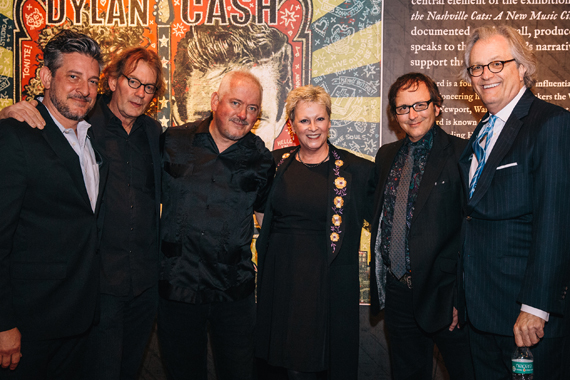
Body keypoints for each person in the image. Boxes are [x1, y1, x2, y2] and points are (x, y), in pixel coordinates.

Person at [0, 46, 166, 379]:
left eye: (149, 87)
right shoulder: (85, 121)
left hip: (142, 287)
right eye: (133, 82)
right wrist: (8, 113)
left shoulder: (153, 133)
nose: (140, 93)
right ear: (115, 81)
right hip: (95, 291)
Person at [458, 25, 570, 379]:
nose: (485, 75)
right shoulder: (483, 130)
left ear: (522, 67)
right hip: (481, 310)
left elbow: (555, 221)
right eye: (477, 67)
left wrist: (536, 306)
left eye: (496, 64)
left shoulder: (551, 124)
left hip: (525, 316)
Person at [0, 30, 106, 378]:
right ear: (46, 77)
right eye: (73, 77)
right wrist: (4, 325)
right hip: (30, 329)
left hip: (82, 322)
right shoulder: (16, 136)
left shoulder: (92, 139)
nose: (84, 89)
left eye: (92, 80)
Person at [158, 70, 275, 380]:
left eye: (252, 108)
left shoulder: (263, 160)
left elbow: (267, 223)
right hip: (177, 288)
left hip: (233, 293)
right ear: (214, 101)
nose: (243, 114)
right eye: (236, 103)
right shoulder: (173, 141)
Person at [255, 85, 374, 380]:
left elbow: (381, 219)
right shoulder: (273, 164)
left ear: (330, 121)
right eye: (304, 121)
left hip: (329, 282)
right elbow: (260, 214)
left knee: (324, 364)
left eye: (319, 119)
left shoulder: (358, 170)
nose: (313, 128)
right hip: (281, 278)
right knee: (281, 364)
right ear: (292, 125)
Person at [369, 73, 474, 379]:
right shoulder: (386, 155)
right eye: (403, 108)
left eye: (420, 105)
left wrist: (460, 298)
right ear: (394, 114)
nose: (412, 114)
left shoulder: (462, 153)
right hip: (399, 292)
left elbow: (472, 230)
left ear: (437, 106)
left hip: (446, 296)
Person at [172, 23, 293, 150]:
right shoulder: (168, 150)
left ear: (281, 119)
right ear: (178, 114)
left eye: (255, 117)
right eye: (208, 117)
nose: (239, 118)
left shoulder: (264, 163)